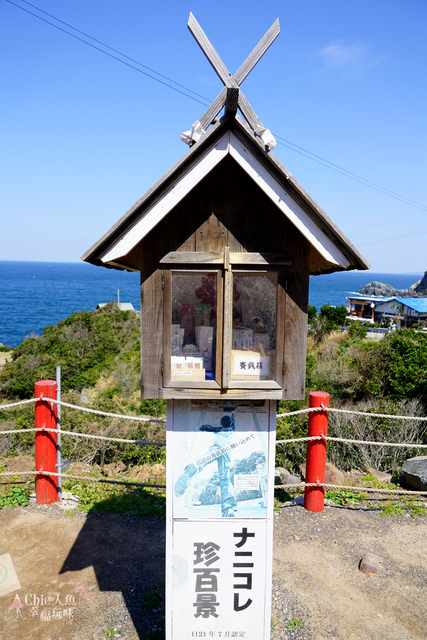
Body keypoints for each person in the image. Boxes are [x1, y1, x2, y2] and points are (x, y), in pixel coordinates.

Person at [174, 414, 238, 517]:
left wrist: (200, 427)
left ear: (222, 423)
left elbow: (209, 427)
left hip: (217, 447)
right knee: (225, 478)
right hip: (226, 451)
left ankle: (194, 466)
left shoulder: (219, 429)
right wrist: (233, 414)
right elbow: (233, 421)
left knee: (203, 461)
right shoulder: (232, 428)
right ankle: (228, 507)